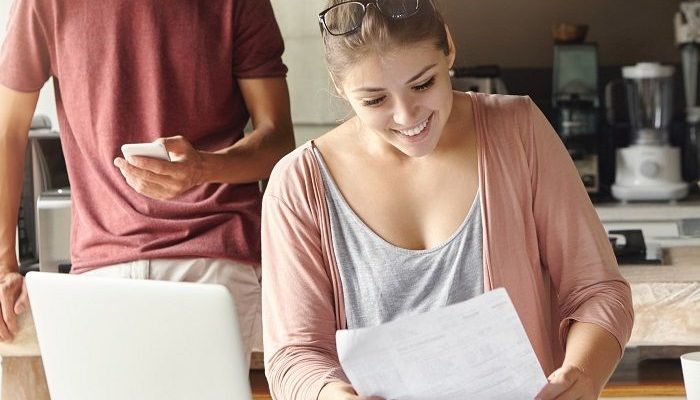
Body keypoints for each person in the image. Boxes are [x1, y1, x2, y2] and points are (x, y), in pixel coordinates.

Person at [261, 1, 634, 399]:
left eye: (423, 84)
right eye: (374, 100)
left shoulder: (518, 131)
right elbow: (294, 353)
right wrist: (329, 394)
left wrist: (582, 374)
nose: (407, 117)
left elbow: (598, 292)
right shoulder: (299, 184)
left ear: (449, 48)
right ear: (339, 86)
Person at [0, 0, 295, 363]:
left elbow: (279, 140)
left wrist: (204, 167)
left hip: (217, 258)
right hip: (100, 269)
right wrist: (3, 266)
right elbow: (8, 131)